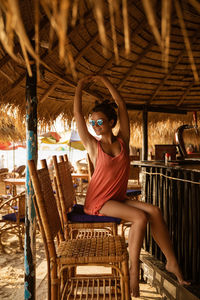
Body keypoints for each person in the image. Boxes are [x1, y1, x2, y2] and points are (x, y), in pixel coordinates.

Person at [74, 75, 189, 297]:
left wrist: (105, 80)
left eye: (100, 122)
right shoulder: (92, 145)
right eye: (93, 123)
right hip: (98, 202)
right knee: (140, 217)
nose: (96, 126)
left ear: (110, 122)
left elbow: (122, 106)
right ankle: (133, 272)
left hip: (116, 199)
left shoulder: (122, 141)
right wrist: (80, 86)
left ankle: (172, 262)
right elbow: (78, 114)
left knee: (154, 211)